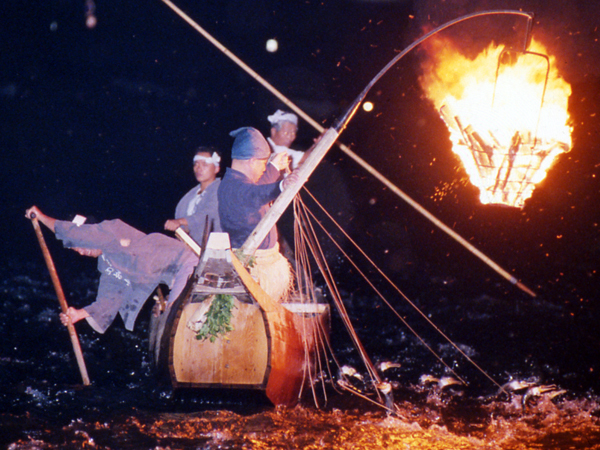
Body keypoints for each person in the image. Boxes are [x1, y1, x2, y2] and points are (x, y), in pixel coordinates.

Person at [26, 206, 197, 334]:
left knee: (175, 318)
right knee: (169, 319)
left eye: (81, 243)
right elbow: (110, 299)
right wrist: (79, 314)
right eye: (75, 249)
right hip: (175, 277)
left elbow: (74, 234)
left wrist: (41, 217)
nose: (80, 250)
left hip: (187, 263)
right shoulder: (107, 264)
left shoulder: (111, 231)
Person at [217, 127, 298, 300]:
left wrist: (274, 166)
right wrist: (282, 186)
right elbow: (255, 194)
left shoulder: (238, 182)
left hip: (261, 265)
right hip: (252, 271)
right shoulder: (233, 187)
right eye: (262, 163)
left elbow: (259, 186)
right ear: (252, 161)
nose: (264, 168)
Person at [164, 147, 222, 243]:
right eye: (196, 164)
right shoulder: (191, 195)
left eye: (204, 164)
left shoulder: (221, 190)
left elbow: (208, 214)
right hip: (189, 249)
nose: (198, 168)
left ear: (216, 168)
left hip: (211, 250)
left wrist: (180, 221)